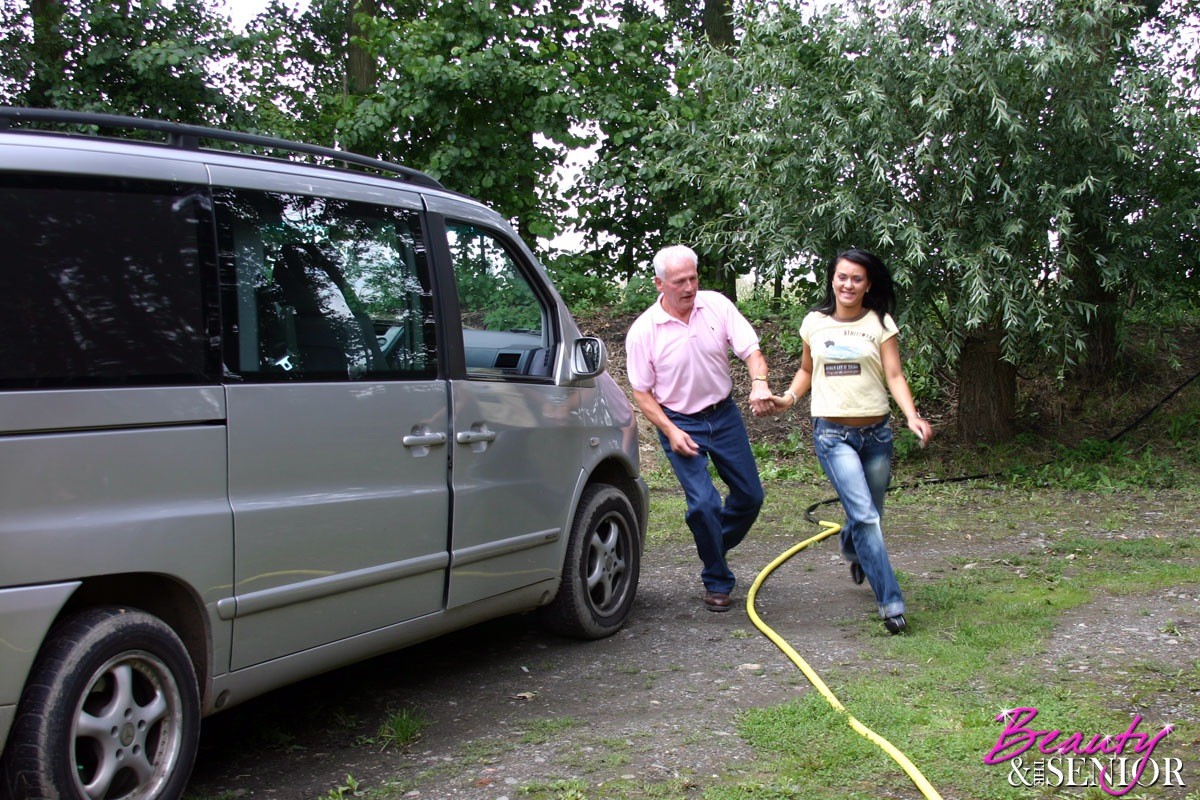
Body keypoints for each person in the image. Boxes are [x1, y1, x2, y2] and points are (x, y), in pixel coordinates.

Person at [768, 248, 933, 634]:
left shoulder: (879, 322)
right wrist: (787, 399)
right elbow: (807, 369)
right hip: (833, 435)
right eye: (842, 276)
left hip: (877, 435)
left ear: (868, 284)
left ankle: (852, 545)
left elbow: (894, 375)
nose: (848, 284)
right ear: (832, 279)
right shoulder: (814, 323)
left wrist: (912, 416)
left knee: (868, 513)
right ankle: (891, 603)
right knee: (866, 517)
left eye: (857, 278)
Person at [626, 245, 774, 612]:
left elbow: (751, 351)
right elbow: (642, 393)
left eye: (693, 278)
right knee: (704, 503)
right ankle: (717, 578)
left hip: (723, 416)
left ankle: (711, 544)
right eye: (680, 281)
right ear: (660, 284)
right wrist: (671, 431)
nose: (690, 287)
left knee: (751, 496)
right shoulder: (644, 330)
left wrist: (759, 382)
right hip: (679, 421)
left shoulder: (716, 306)